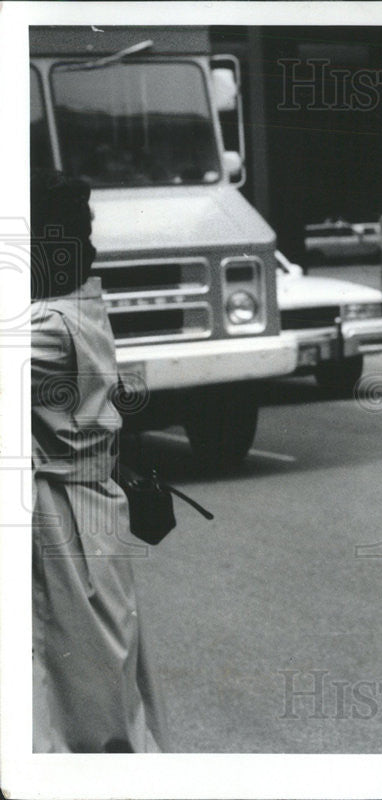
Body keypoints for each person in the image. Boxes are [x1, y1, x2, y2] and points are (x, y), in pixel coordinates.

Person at [31, 168, 166, 752]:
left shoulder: (45, 327)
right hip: (92, 512)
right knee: (104, 673)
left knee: (81, 686)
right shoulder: (80, 307)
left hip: (64, 524)